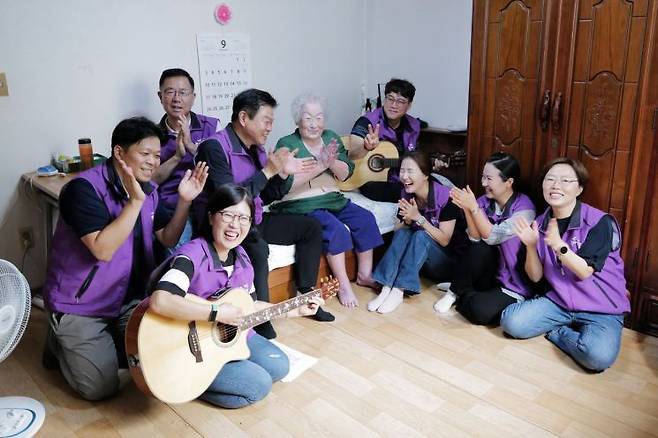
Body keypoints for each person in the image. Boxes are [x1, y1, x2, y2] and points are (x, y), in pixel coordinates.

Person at [42, 117, 208, 400]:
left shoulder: (148, 190)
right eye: (145, 154)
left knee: (161, 353)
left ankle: (102, 347)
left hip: (128, 298)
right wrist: (134, 202)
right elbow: (102, 250)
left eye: (157, 155)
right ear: (119, 153)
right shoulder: (83, 189)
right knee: (99, 388)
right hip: (82, 304)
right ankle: (58, 340)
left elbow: (167, 238)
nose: (153, 162)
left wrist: (185, 201)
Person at [149, 184, 323, 409]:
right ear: (212, 217)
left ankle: (209, 372)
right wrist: (216, 312)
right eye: (228, 215)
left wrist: (294, 310)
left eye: (243, 218)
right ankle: (188, 381)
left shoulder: (242, 259)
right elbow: (160, 300)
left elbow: (249, 306)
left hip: (227, 337)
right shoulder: (192, 255)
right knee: (258, 385)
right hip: (187, 346)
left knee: (280, 367)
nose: (235, 225)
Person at [194, 88, 333, 340]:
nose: (270, 128)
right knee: (258, 249)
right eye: (266, 121)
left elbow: (267, 195)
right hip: (224, 226)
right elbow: (228, 199)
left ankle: (304, 292)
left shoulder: (256, 149)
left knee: (310, 228)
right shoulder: (214, 147)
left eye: (272, 122)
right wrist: (268, 171)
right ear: (244, 118)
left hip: (252, 219)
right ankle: (262, 319)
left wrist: (282, 173)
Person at [501, 158, 630, 372]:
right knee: (511, 323)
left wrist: (560, 246)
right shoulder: (541, 223)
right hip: (559, 302)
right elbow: (535, 278)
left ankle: (558, 332)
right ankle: (564, 325)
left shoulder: (599, 222)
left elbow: (584, 271)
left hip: (601, 308)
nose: (555, 186)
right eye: (549, 179)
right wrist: (532, 246)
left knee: (597, 358)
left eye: (565, 180)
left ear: (579, 188)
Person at [271, 93, 384, 308]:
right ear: (298, 119)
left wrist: (331, 162)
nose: (314, 124)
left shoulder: (331, 137)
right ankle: (343, 285)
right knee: (336, 230)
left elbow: (344, 173)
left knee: (365, 218)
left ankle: (364, 274)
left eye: (319, 117)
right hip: (302, 203)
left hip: (332, 197)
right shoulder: (287, 144)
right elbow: (286, 185)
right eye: (308, 118)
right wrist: (321, 165)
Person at [434, 152, 536, 326]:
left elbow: (492, 237)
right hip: (488, 275)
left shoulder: (524, 208)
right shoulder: (483, 201)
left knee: (480, 312)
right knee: (479, 247)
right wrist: (467, 209)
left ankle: (459, 287)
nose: (483, 183)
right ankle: (454, 291)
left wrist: (473, 208)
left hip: (511, 282)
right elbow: (475, 240)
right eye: (483, 177)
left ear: (509, 182)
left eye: (489, 178)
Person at [368, 150, 463, 313]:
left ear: (426, 174)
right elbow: (398, 229)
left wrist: (418, 218)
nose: (404, 176)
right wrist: (407, 220)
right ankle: (386, 288)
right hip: (419, 261)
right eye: (402, 171)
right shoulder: (406, 193)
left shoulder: (447, 198)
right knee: (404, 231)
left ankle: (399, 290)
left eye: (410, 171)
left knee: (420, 235)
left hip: (446, 264)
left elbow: (445, 240)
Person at [152, 68, 220, 245]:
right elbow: (151, 180)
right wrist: (176, 157)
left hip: (209, 205)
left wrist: (191, 146)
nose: (176, 98)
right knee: (181, 259)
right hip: (173, 209)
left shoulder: (212, 126)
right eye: (170, 92)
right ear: (160, 97)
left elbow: (222, 167)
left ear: (193, 96)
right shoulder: (152, 135)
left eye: (183, 92)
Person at [349, 78, 421, 202]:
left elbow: (416, 157)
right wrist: (366, 147)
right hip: (373, 181)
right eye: (390, 98)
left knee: (431, 185)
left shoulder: (413, 125)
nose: (393, 105)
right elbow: (352, 153)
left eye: (400, 101)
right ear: (384, 99)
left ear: (409, 105)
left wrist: (430, 164)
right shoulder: (367, 121)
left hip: (402, 178)